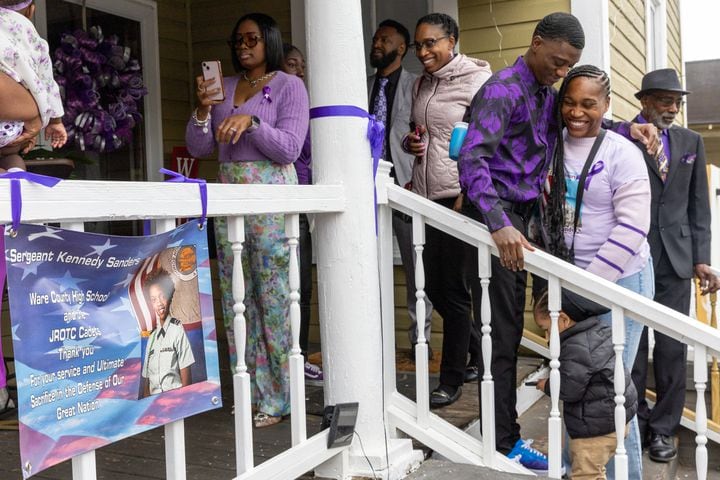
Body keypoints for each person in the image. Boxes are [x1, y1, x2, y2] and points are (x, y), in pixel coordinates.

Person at [457, 13, 584, 470]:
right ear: (535, 43)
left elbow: (578, 124)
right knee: (502, 336)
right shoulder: (503, 88)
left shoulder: (545, 95)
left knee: (519, 330)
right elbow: (472, 158)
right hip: (499, 222)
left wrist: (632, 129)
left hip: (530, 222)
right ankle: (503, 440)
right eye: (557, 60)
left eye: (569, 65)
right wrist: (497, 222)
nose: (561, 71)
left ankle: (503, 433)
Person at [186, 12, 308, 428]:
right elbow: (200, 146)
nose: (243, 45)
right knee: (237, 295)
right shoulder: (227, 89)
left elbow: (290, 148)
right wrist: (204, 110)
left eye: (252, 38)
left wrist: (253, 124)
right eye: (237, 39)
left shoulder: (290, 85)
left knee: (273, 299)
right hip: (229, 195)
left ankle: (279, 398)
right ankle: (249, 388)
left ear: (269, 41)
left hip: (270, 193)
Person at [543, 65, 653, 479]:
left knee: (611, 396)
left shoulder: (621, 153)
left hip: (620, 277)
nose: (577, 112)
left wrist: (584, 287)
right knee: (580, 392)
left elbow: (632, 227)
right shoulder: (550, 144)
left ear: (606, 106)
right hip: (571, 281)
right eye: (569, 102)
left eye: (589, 104)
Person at [628, 68, 720, 462]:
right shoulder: (621, 136)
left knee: (670, 347)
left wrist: (702, 258)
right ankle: (633, 419)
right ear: (644, 101)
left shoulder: (690, 141)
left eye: (676, 102)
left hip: (677, 260)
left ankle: (663, 430)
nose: (672, 108)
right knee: (630, 346)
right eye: (664, 100)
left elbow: (699, 205)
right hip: (631, 254)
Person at [402, 12, 491, 408]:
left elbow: (487, 143)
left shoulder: (478, 82)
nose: (423, 52)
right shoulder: (423, 82)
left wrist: (468, 193)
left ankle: (451, 379)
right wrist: (412, 143)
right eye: (418, 45)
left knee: (450, 290)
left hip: (457, 196)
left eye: (431, 43)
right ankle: (476, 353)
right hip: (424, 194)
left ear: (451, 40)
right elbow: (425, 132)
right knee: (436, 288)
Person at [367, 19, 435, 361]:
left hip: (404, 186)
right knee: (366, 267)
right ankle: (371, 338)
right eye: (376, 38)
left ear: (401, 48)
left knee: (415, 269)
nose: (378, 43)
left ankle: (419, 343)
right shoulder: (360, 86)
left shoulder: (415, 85)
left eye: (385, 39)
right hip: (365, 190)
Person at [533, 289, 638, 480]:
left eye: (547, 329)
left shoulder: (575, 347)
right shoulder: (600, 330)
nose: (547, 338)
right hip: (616, 420)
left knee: (585, 474)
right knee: (596, 472)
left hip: (595, 430)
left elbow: (570, 389)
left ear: (563, 320)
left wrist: (547, 385)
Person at [281, 43, 323, 385]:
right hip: (279, 196)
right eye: (292, 63)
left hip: (304, 197)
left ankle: (302, 355)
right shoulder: (278, 100)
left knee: (301, 283)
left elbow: (310, 150)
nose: (299, 69)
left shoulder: (305, 101)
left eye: (302, 64)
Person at [0, 1, 67, 171]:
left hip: (12, 109)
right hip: (13, 127)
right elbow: (48, 83)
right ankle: (14, 173)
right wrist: (55, 121)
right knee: (11, 156)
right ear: (30, 10)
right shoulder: (32, 37)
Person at [141, 269, 195, 396]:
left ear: (169, 295)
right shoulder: (152, 338)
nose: (159, 303)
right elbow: (146, 386)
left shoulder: (177, 330)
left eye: (162, 296)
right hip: (155, 409)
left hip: (174, 405)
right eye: (153, 299)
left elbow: (187, 381)